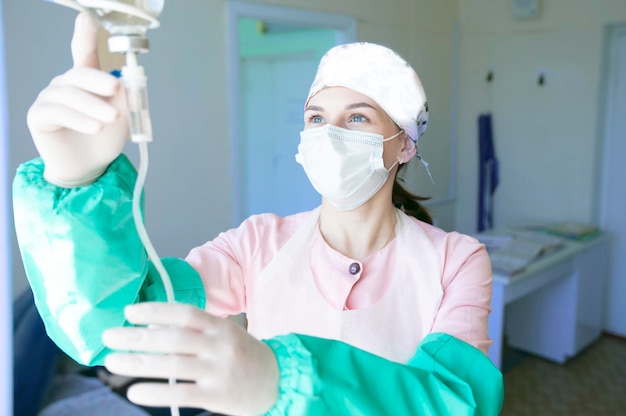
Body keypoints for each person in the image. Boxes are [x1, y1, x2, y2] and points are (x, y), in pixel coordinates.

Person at [13, 12, 503, 416]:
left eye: (356, 117)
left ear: (403, 146)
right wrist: (76, 187)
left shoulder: (456, 260)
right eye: (316, 118)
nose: (329, 135)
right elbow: (123, 323)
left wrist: (285, 380)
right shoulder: (257, 245)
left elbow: (458, 399)